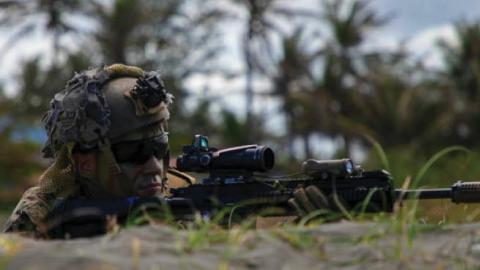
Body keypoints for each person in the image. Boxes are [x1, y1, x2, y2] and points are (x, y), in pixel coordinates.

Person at [3, 64, 194, 237]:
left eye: (160, 149)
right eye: (135, 153)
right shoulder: (43, 213)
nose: (154, 166)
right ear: (86, 164)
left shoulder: (183, 196)